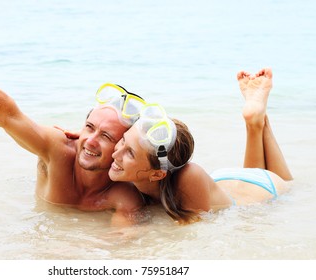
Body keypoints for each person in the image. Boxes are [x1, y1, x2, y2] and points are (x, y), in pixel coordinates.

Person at [0, 38, 147, 227]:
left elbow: (122, 242)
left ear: (123, 146)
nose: (90, 141)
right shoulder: (58, 148)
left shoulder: (124, 194)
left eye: (106, 136)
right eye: (89, 127)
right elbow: (9, 117)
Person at [109, 67, 293, 224]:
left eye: (130, 153)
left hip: (265, 186)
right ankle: (255, 120)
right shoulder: (135, 175)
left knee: (291, 186)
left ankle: (256, 121)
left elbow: (192, 234)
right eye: (123, 140)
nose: (116, 153)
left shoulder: (190, 175)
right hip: (224, 183)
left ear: (157, 173)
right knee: (254, 162)